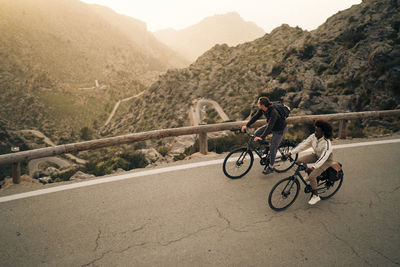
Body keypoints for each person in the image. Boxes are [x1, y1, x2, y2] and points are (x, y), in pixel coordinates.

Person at [286, 119, 334, 205]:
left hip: (326, 160)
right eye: (315, 130)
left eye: (317, 131)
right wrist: (290, 152)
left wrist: (313, 167)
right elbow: (303, 145)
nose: (315, 133)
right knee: (299, 160)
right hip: (316, 155)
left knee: (312, 176)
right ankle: (308, 175)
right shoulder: (313, 137)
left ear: (323, 132)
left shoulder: (327, 143)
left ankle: (316, 196)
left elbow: (323, 158)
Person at [241, 96, 287, 175]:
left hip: (279, 129)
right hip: (272, 126)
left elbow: (270, 126)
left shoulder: (273, 112)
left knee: (273, 148)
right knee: (257, 133)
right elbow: (255, 117)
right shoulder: (263, 109)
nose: (258, 105)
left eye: (258, 104)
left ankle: (271, 167)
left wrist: (261, 137)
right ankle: (267, 146)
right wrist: (247, 125)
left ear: (262, 105)